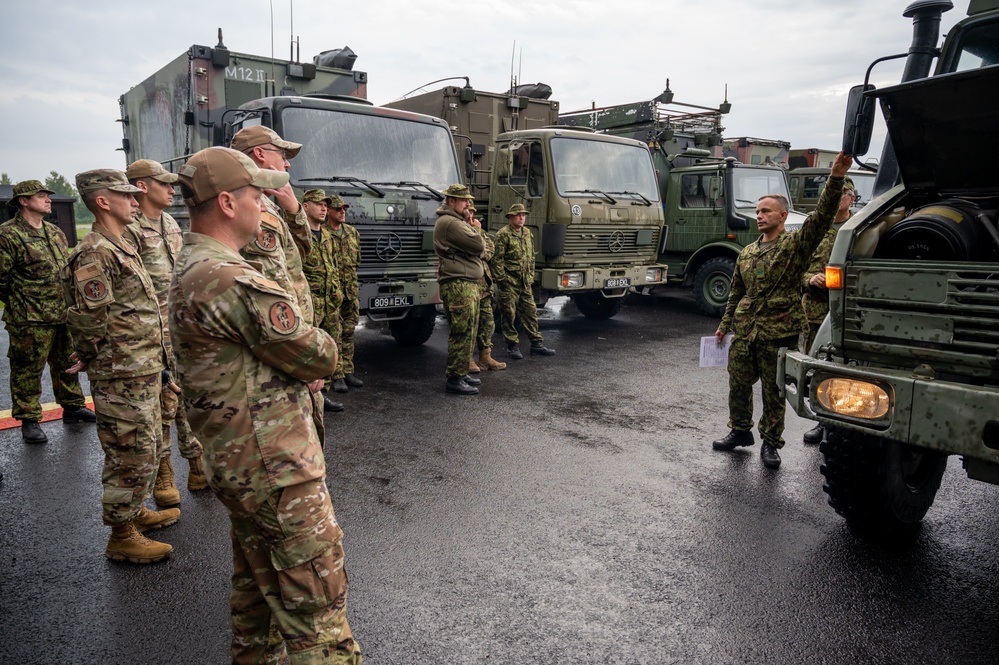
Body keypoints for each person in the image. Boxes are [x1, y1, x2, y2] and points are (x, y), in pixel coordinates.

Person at [169, 146, 361, 664]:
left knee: (258, 596)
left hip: (242, 464)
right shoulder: (230, 278)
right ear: (228, 203)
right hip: (273, 467)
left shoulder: (195, 264)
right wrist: (316, 346)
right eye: (258, 195)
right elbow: (318, 354)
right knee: (319, 613)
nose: (264, 205)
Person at [711, 151, 852, 469]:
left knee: (773, 391)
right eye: (758, 211)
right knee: (738, 383)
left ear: (783, 216)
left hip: (779, 330)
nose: (759, 215)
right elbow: (736, 293)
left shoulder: (794, 246)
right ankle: (739, 430)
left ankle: (771, 444)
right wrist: (724, 325)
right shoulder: (746, 252)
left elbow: (820, 218)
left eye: (767, 211)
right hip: (746, 331)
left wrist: (835, 178)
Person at [62, 169, 176, 563]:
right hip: (120, 371)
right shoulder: (96, 251)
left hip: (142, 365)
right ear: (102, 201)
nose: (134, 200)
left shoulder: (122, 244)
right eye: (124, 195)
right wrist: (90, 354)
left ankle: (135, 510)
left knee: (144, 446)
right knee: (128, 451)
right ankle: (122, 536)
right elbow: (90, 317)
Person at [231, 125, 341, 420]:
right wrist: (304, 359)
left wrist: (293, 211)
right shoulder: (250, 206)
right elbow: (271, 288)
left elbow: (299, 256)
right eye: (282, 154)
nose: (287, 162)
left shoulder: (270, 203)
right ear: (260, 154)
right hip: (279, 348)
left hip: (288, 340)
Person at [125, 159, 208, 502]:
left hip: (181, 327)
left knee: (189, 396)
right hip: (149, 332)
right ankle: (164, 475)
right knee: (160, 407)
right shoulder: (129, 228)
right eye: (164, 184)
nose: (172, 190)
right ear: (142, 186)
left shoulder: (171, 222)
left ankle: (198, 467)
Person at [0, 179, 95, 445]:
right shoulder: (7, 234)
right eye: (41, 195)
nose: (48, 199)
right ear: (23, 201)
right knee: (27, 369)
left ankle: (72, 406)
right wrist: (22, 301)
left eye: (47, 195)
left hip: (62, 313)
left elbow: (66, 271)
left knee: (67, 362)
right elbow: (1, 280)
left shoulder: (55, 232)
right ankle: (29, 419)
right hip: (28, 317)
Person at [800, 175, 856, 445]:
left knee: (845, 369)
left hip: (848, 309)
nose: (835, 200)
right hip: (815, 309)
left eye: (841, 195)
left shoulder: (862, 228)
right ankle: (821, 421)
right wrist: (809, 278)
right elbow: (796, 266)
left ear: (851, 199)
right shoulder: (815, 227)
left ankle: (842, 423)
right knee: (817, 367)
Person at [433, 184, 485, 395]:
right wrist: (477, 229)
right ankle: (454, 378)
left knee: (470, 330)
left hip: (466, 283)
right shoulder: (449, 222)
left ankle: (461, 372)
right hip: (458, 285)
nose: (468, 205)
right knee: (461, 331)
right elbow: (479, 245)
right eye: (464, 201)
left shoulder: (456, 221)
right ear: (451, 201)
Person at [300, 188, 346, 413]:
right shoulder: (300, 236)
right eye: (319, 204)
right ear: (305, 206)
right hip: (312, 303)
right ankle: (310, 396)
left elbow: (334, 266)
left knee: (329, 348)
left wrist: (337, 292)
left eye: (325, 205)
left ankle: (323, 393)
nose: (324, 208)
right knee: (312, 351)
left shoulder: (327, 235)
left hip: (330, 302)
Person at [491, 203, 555, 359]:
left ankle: (536, 344)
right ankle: (512, 346)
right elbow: (496, 260)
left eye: (523, 215)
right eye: (518, 215)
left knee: (530, 313)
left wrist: (530, 275)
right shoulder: (503, 234)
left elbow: (531, 257)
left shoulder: (527, 233)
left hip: (525, 282)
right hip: (509, 282)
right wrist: (502, 280)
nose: (521, 217)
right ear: (511, 217)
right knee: (509, 315)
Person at [327, 194, 363, 394]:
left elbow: (356, 261)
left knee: (349, 331)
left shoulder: (352, 233)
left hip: (350, 290)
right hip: (333, 292)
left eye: (344, 209)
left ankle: (348, 371)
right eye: (338, 209)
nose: (343, 212)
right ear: (329, 211)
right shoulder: (323, 233)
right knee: (335, 334)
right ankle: (336, 375)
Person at [465, 205, 505, 373]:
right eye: (469, 212)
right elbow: (473, 251)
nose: (471, 215)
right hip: (469, 286)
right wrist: (477, 236)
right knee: (468, 326)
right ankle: (467, 360)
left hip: (484, 286)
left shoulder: (479, 231)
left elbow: (489, 251)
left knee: (487, 323)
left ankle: (485, 357)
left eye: (474, 212)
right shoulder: (459, 229)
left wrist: (479, 233)